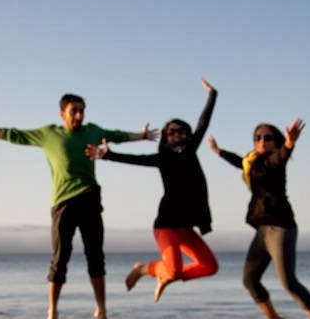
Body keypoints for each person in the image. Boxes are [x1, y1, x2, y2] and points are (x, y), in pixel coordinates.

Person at [0, 97, 156, 319]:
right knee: (60, 260)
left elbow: (118, 135)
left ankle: (102, 311)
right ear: (62, 114)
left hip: (90, 198)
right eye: (74, 111)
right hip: (63, 204)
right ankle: (52, 312)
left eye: (82, 111)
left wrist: (142, 136)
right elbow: (13, 135)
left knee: (96, 258)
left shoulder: (92, 131)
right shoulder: (49, 134)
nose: (79, 116)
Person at [86, 79, 219, 302]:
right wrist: (108, 155)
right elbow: (135, 159)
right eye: (172, 132)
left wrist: (212, 95)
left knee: (210, 266)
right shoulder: (162, 159)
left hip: (186, 227)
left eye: (181, 131)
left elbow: (203, 123)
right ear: (166, 137)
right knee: (174, 269)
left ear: (187, 135)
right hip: (166, 225)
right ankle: (144, 269)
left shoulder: (190, 151)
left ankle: (166, 275)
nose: (177, 135)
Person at [208, 119, 310, 319]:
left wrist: (290, 143)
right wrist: (218, 151)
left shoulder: (275, 161)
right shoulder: (251, 162)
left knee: (288, 283)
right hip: (262, 229)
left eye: (267, 137)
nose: (262, 141)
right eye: (258, 137)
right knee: (250, 280)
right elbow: (239, 161)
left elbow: (282, 156)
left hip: (281, 227)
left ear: (276, 142)